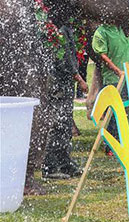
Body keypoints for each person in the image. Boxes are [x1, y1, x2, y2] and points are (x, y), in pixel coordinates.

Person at [41, 24, 87, 179]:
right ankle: (49, 167)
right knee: (58, 124)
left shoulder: (66, 28)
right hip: (58, 84)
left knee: (66, 124)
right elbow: (65, 58)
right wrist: (79, 79)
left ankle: (64, 162)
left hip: (65, 83)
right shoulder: (58, 31)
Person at [92, 18, 129, 156]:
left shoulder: (125, 26)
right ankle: (110, 146)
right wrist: (117, 70)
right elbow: (102, 55)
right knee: (114, 112)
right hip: (115, 77)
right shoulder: (101, 32)